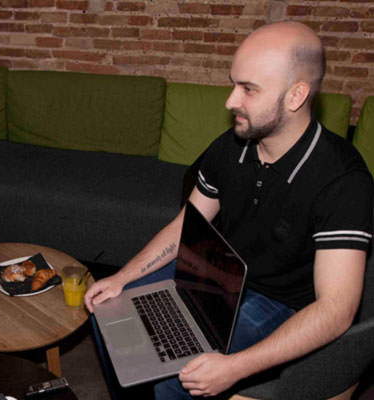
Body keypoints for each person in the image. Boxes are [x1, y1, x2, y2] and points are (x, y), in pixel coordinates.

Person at [85, 21, 372, 398]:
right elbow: (188, 223)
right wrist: (121, 277)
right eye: (234, 83)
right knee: (110, 315)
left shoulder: (343, 180)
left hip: (279, 302)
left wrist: (234, 368)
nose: (230, 101)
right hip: (213, 275)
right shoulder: (233, 145)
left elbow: (336, 310)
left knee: (178, 379)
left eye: (248, 89)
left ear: (295, 95)